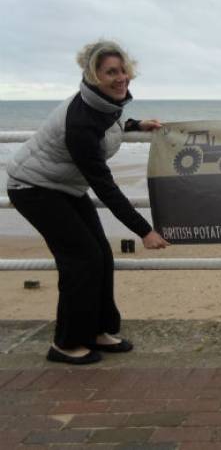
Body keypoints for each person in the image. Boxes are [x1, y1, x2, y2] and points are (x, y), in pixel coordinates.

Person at [6, 40, 169, 365]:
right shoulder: (81, 120)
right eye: (111, 72)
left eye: (123, 70)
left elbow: (109, 124)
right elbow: (104, 186)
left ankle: (98, 331)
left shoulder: (104, 104)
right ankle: (65, 344)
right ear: (93, 75)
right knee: (80, 260)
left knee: (101, 256)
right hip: (34, 188)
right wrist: (144, 230)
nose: (120, 77)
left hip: (64, 186)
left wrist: (135, 125)